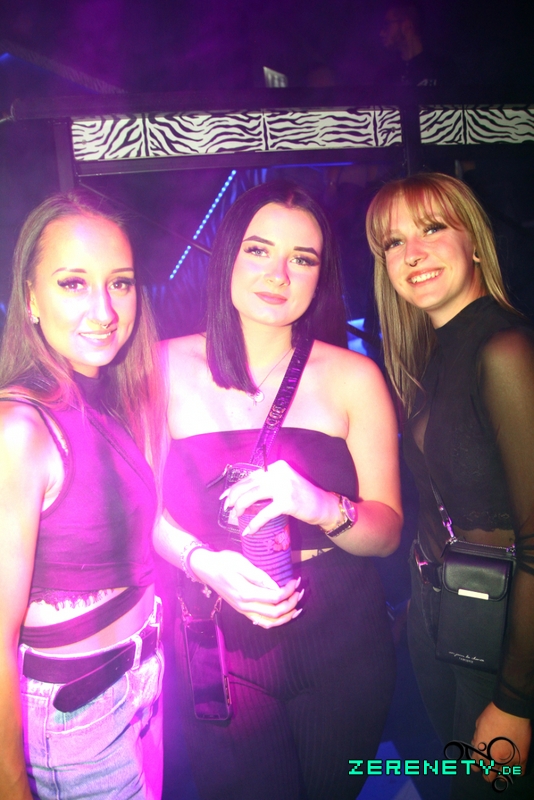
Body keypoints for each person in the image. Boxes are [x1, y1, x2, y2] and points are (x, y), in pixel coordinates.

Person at [155, 179, 403, 800]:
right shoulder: (160, 368)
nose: (278, 274)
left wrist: (319, 505)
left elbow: (387, 533)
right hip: (216, 634)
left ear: (321, 276)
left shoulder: (355, 376)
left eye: (303, 258)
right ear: (228, 257)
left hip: (343, 637)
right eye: (259, 250)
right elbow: (140, 511)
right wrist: (201, 561)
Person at [366, 172, 534, 798]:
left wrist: (515, 701)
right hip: (444, 611)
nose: (412, 253)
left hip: (500, 633)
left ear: (475, 243)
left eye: (432, 228)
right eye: (393, 242)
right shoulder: (432, 354)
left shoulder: (505, 348)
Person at [0, 193, 165, 800]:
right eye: (73, 283)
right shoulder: (18, 428)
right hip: (76, 712)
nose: (105, 311)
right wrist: (9, 784)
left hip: (143, 675)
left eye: (120, 283)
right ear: (30, 298)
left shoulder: (107, 395)